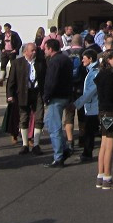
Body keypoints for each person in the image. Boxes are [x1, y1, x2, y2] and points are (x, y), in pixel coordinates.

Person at [6, 42, 45, 155]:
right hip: (23, 93)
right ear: (25, 52)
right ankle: (24, 145)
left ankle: (36, 145)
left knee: (39, 117)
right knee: (24, 118)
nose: (34, 52)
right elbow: (11, 81)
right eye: (32, 50)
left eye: (35, 50)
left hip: (37, 92)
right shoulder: (17, 63)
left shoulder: (41, 63)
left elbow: (45, 78)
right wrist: (10, 95)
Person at [40, 38, 73, 167]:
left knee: (54, 128)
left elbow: (51, 81)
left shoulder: (54, 61)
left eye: (46, 48)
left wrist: (46, 96)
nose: (44, 50)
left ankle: (58, 156)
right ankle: (64, 149)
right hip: (65, 95)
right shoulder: (66, 59)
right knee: (49, 123)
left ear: (50, 49)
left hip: (56, 97)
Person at [94, 49, 113, 190]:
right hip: (111, 112)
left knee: (104, 145)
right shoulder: (110, 76)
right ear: (108, 60)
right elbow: (111, 96)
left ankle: (101, 176)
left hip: (102, 111)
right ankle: (108, 178)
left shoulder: (100, 75)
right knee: (110, 147)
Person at [74, 49, 100, 162]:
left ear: (90, 59)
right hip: (91, 106)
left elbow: (90, 91)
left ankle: (87, 153)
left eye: (84, 59)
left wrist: (77, 104)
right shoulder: (90, 70)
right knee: (93, 130)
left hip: (94, 106)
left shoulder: (94, 72)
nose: (82, 61)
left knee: (90, 131)